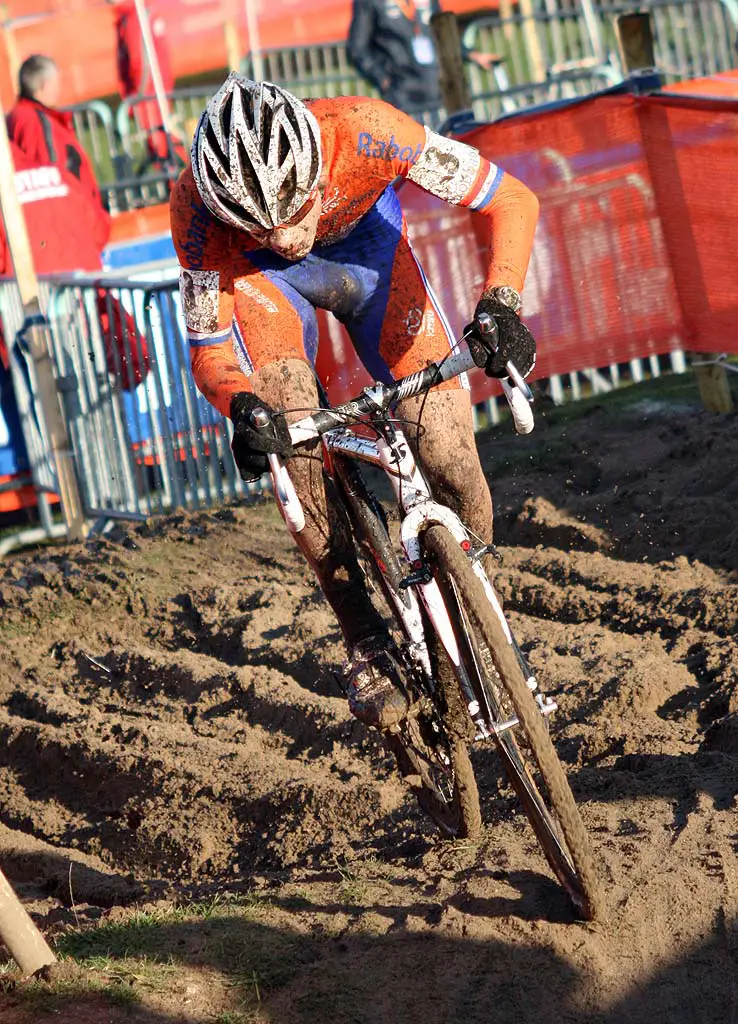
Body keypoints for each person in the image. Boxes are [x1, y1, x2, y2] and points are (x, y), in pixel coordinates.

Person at [170, 73, 539, 731]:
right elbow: (209, 351)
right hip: (262, 291)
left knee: (449, 454)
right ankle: (365, 636)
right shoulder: (195, 209)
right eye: (255, 222)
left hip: (371, 254)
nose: (284, 236)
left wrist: (502, 304)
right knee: (292, 434)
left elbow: (512, 199)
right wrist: (241, 408)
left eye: (293, 208)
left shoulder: (371, 129)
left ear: (316, 163)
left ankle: (475, 611)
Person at [6, 54, 110, 253]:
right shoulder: (34, 122)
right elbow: (51, 180)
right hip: (69, 235)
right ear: (46, 85)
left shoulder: (25, 118)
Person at [346, 0, 502, 118]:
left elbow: (443, 35)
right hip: (404, 95)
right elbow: (357, 49)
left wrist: (472, 55)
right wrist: (383, 79)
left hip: (440, 91)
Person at [110, 0, 188, 175]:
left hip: (148, 96)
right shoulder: (131, 16)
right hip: (151, 93)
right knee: (161, 143)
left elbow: (139, 64)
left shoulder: (134, 17)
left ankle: (179, 183)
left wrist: (136, 99)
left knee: (161, 145)